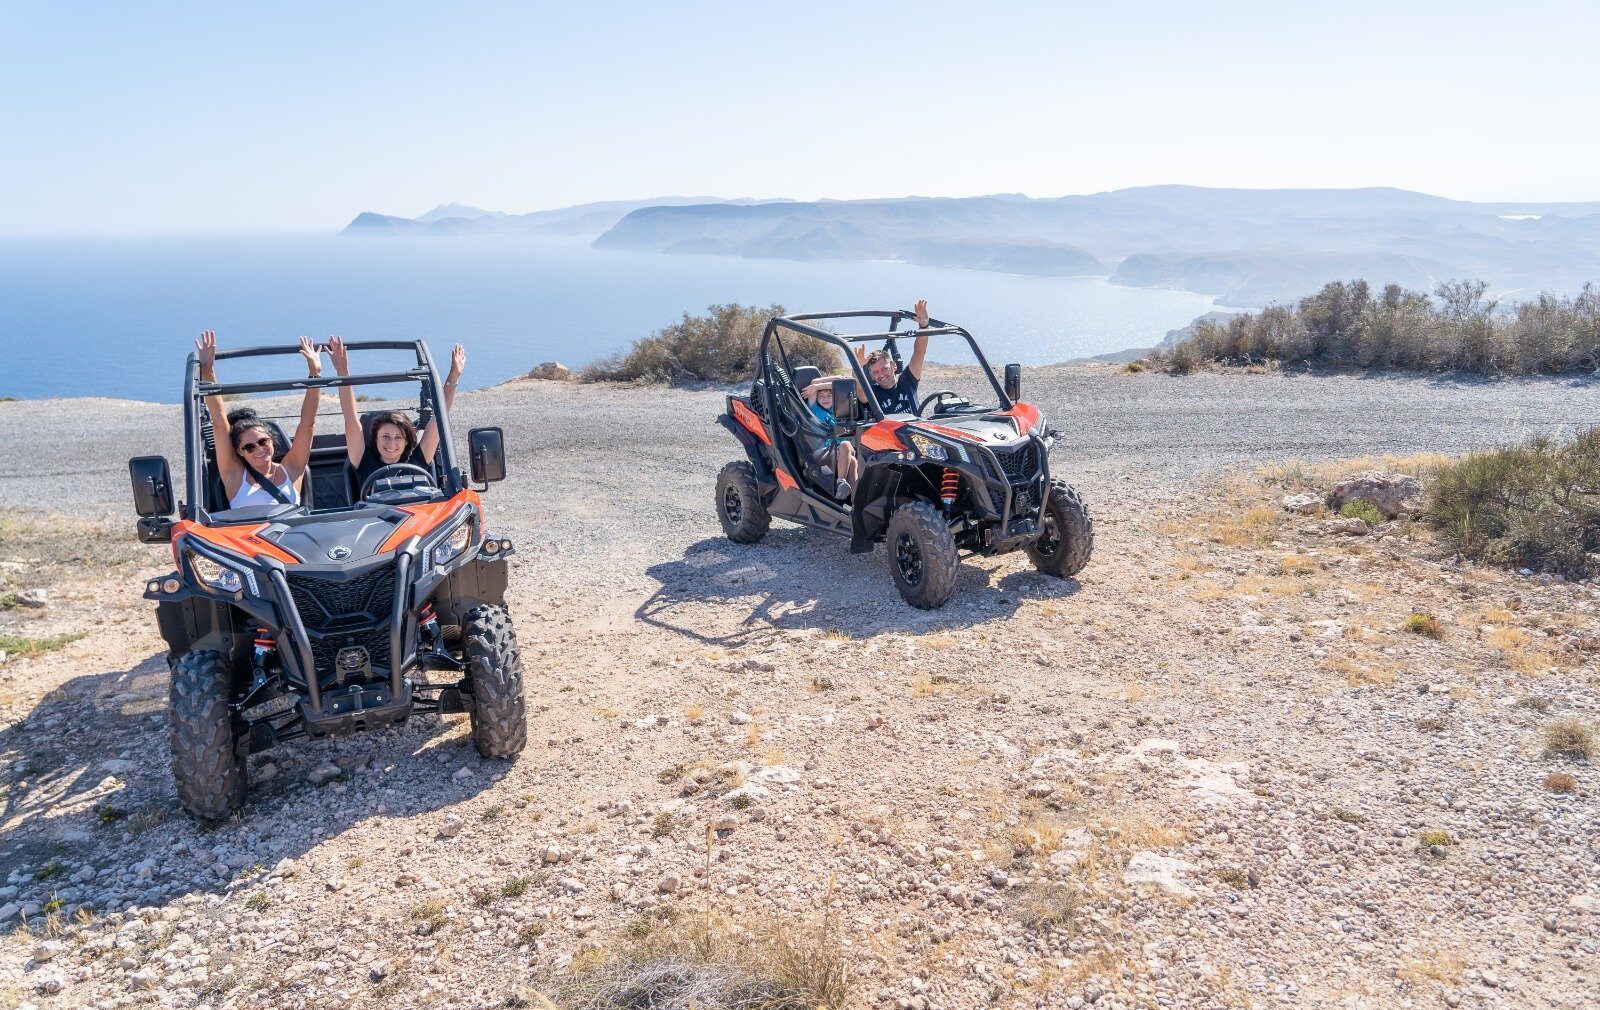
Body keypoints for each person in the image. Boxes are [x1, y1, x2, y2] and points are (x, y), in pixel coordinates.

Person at [195, 330, 322, 510]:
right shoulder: (234, 476)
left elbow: (307, 422)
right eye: (249, 447)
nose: (259, 449)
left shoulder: (291, 469)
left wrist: (315, 374)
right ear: (239, 451)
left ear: (271, 440)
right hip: (247, 538)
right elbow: (219, 421)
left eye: (263, 441)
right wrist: (208, 371)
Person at [327, 337, 465, 494]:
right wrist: (342, 372)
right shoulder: (364, 462)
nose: (391, 443)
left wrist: (453, 376)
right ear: (376, 438)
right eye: (385, 436)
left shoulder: (417, 461)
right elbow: (350, 420)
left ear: (406, 441)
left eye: (398, 437)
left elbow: (440, 418)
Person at [855, 298, 932, 416]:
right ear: (871, 376)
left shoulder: (907, 382)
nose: (881, 375)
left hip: (916, 429)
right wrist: (858, 367)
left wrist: (924, 326)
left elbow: (919, 353)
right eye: (875, 372)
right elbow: (860, 391)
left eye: (884, 368)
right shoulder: (872, 393)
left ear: (893, 365)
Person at [800, 376, 858, 500]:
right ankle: (841, 482)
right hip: (821, 451)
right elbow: (814, 382)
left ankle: (855, 500)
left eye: (829, 395)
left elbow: (842, 381)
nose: (825, 399)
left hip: (836, 451)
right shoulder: (814, 409)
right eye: (821, 396)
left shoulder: (836, 410)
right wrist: (815, 387)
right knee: (846, 445)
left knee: (852, 461)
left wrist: (822, 386)